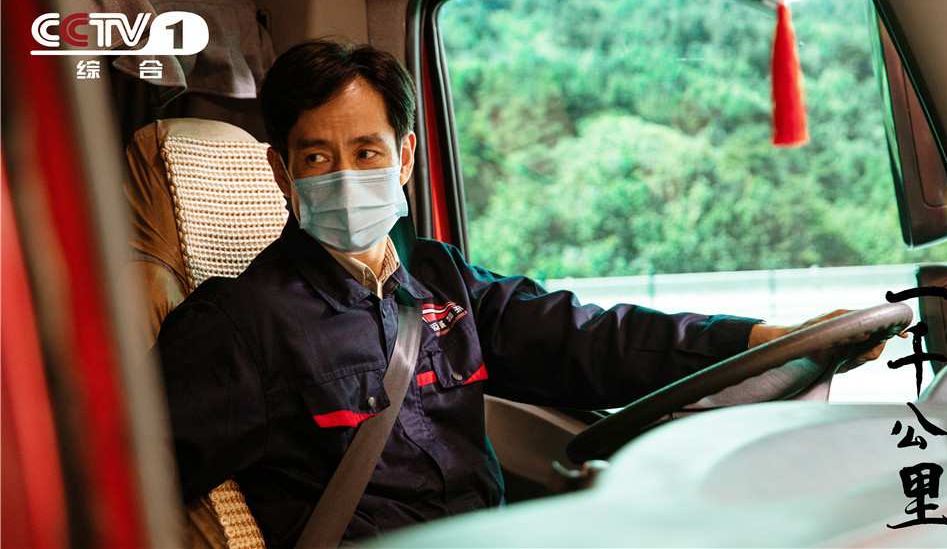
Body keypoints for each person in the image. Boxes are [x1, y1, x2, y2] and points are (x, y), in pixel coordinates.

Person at [155, 40, 887, 547]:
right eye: (317, 157)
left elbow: (587, 337)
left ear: (404, 158)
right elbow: (132, 491)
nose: (345, 176)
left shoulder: (440, 278)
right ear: (282, 174)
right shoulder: (236, 326)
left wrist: (762, 340)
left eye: (366, 151)